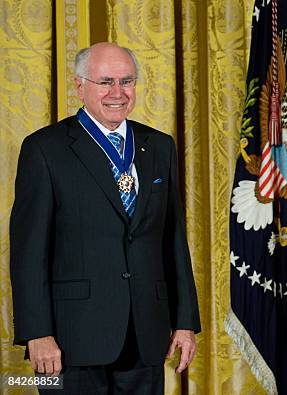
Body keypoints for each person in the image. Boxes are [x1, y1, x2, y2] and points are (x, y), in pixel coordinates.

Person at [10, 42, 201, 394]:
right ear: (80, 86)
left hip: (145, 334)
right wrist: (37, 333)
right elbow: (28, 251)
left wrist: (185, 322)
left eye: (126, 81)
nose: (118, 92)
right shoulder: (45, 149)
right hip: (71, 340)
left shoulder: (158, 146)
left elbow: (173, 240)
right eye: (106, 82)